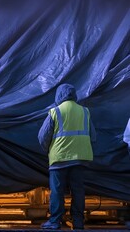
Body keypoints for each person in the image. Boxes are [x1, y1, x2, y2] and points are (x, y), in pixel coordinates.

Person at [38, 83, 96, 230]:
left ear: (59, 95)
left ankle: (55, 221)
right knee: (78, 190)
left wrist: (49, 150)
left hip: (60, 158)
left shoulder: (55, 112)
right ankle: (78, 222)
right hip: (80, 158)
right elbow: (93, 136)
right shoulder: (85, 112)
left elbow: (42, 137)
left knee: (57, 191)